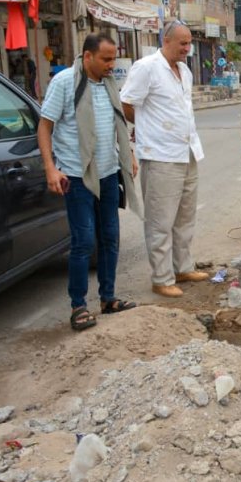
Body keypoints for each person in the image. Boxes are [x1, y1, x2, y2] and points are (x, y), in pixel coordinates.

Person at [37, 33, 140, 331]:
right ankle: (78, 306)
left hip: (108, 173)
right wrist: (50, 169)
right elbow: (45, 127)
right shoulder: (65, 82)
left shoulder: (108, 83)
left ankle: (108, 298)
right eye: (106, 59)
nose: (112, 65)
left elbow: (114, 124)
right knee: (83, 241)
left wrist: (127, 155)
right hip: (76, 175)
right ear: (87, 57)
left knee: (110, 237)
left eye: (113, 59)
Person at [120, 21, 209, 298]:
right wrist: (147, 128)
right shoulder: (146, 67)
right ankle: (161, 277)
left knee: (185, 217)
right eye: (182, 43)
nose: (187, 48)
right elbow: (126, 103)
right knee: (160, 220)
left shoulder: (184, 70)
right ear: (166, 40)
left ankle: (183, 267)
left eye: (189, 42)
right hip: (160, 155)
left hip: (188, 151)